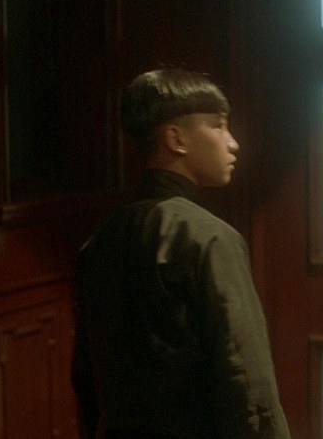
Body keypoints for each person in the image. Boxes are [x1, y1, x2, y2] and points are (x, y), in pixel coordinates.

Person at [71, 68, 291, 439]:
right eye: (217, 126)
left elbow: (86, 379)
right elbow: (247, 383)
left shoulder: (99, 242)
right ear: (176, 138)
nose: (233, 143)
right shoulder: (209, 239)